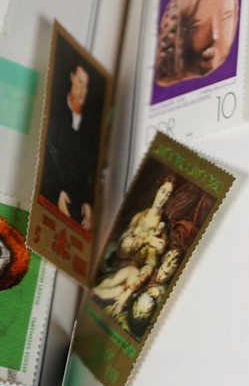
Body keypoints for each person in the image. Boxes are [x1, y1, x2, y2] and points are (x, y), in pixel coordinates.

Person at [92, 175, 175, 310]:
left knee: (125, 284)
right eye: (163, 191)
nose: (163, 197)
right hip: (118, 266)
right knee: (115, 280)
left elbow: (150, 264)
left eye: (168, 195)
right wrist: (146, 239)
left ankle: (100, 296)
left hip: (139, 276)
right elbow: (121, 249)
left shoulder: (162, 228)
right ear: (157, 190)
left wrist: (130, 290)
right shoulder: (139, 216)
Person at [40, 62, 102, 231]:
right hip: (53, 196)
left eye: (86, 86)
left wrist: (89, 202)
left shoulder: (90, 126)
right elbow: (47, 155)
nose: (83, 90)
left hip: (79, 206)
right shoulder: (55, 111)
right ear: (72, 78)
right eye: (80, 82)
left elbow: (91, 167)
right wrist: (56, 193)